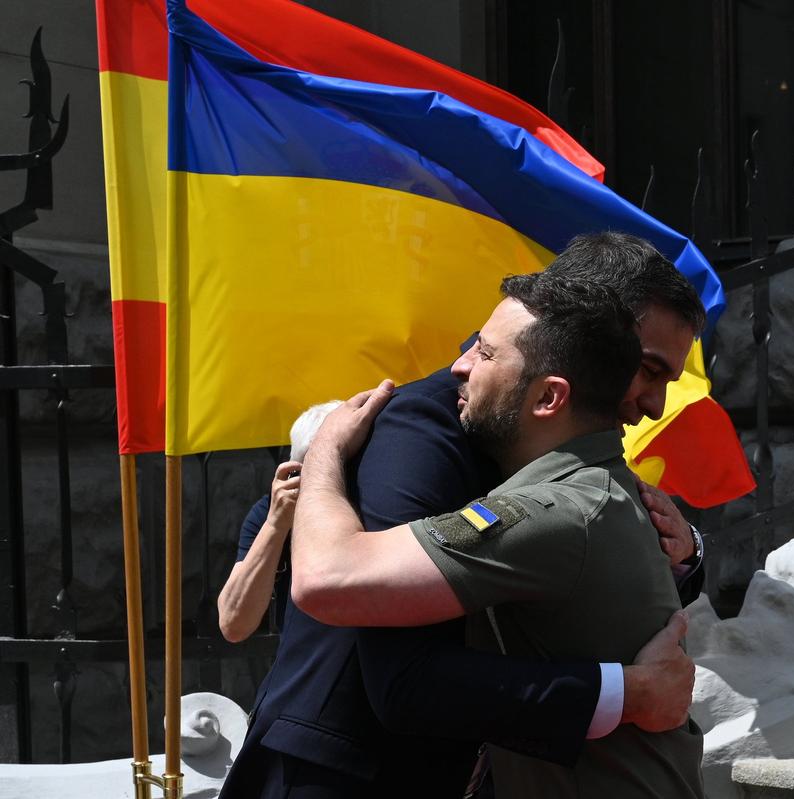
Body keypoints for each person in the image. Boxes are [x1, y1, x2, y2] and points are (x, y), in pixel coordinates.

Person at [221, 234, 707, 799]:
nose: (653, 402)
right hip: (342, 774)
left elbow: (592, 564)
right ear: (585, 331)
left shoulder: (578, 463)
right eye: (647, 369)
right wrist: (626, 694)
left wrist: (688, 549)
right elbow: (393, 662)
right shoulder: (428, 429)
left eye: (485, 351)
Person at [217, 401, 339, 642]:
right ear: (298, 472)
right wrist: (276, 524)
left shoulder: (379, 500)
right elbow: (234, 623)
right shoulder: (271, 513)